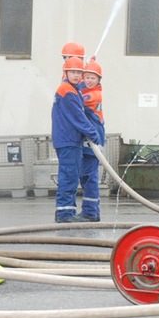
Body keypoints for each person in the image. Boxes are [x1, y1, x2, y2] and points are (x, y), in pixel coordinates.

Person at [51, 56, 100, 223]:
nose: (77, 75)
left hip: (70, 140)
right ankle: (65, 214)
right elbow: (78, 117)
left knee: (72, 176)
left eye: (80, 72)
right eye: (73, 72)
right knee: (69, 177)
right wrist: (93, 133)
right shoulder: (67, 91)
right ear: (66, 72)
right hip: (68, 140)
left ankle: (66, 212)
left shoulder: (74, 89)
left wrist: (91, 65)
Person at [78, 59, 105, 222]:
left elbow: (78, 98)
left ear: (98, 80)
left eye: (92, 78)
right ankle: (93, 210)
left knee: (89, 175)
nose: (89, 80)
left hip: (94, 135)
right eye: (86, 77)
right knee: (85, 174)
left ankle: (90, 212)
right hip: (89, 135)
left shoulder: (93, 94)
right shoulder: (88, 90)